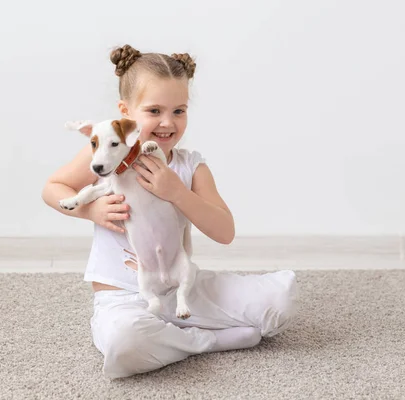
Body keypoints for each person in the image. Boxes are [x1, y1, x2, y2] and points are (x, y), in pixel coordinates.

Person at [42, 44, 298, 379]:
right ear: (125, 113)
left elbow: (224, 232)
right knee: (126, 345)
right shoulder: (107, 149)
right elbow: (53, 189)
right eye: (154, 111)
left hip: (181, 289)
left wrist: (177, 192)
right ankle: (206, 340)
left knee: (280, 301)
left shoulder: (191, 165)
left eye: (179, 111)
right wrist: (91, 210)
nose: (167, 123)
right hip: (124, 298)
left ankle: (175, 332)